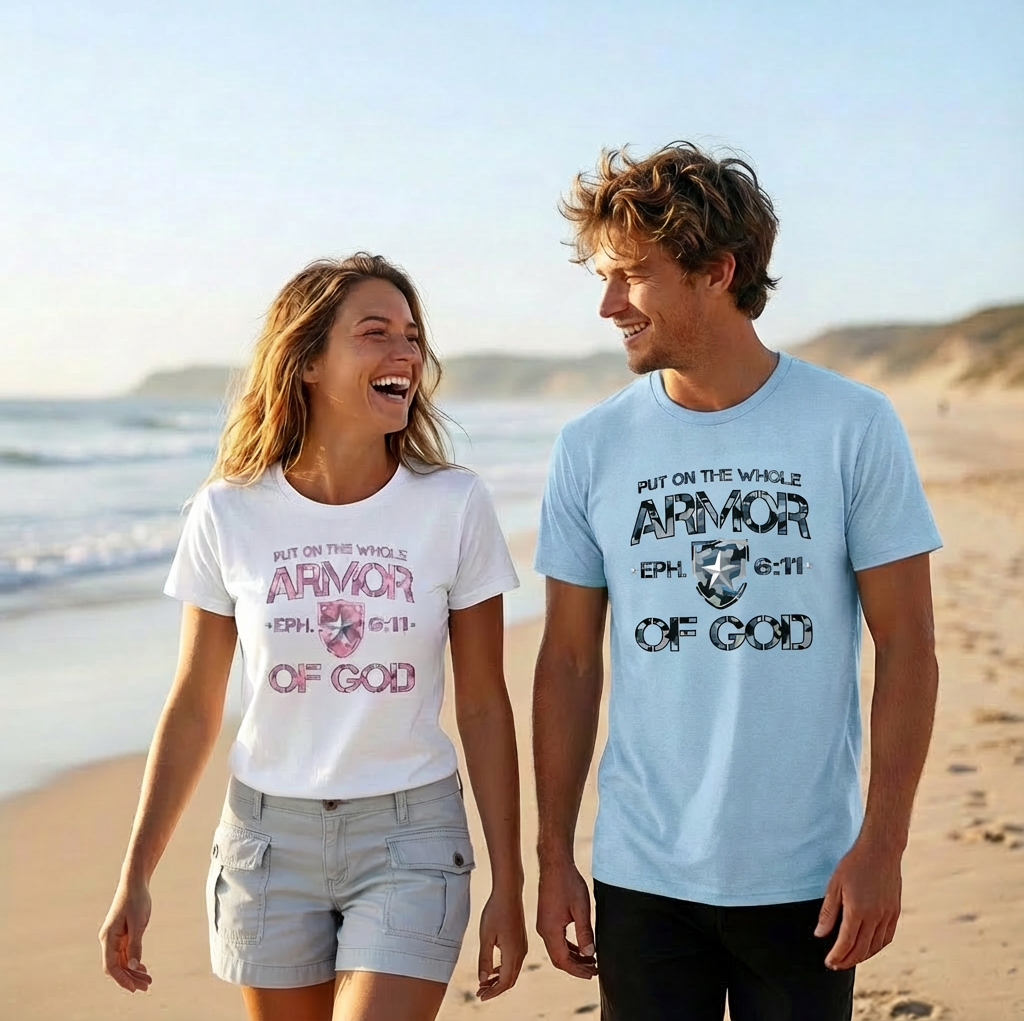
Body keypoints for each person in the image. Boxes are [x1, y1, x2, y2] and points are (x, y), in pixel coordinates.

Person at [532, 143, 941, 1021]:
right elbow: (567, 663)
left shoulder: (851, 425)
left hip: (808, 872)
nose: (607, 306)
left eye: (632, 277)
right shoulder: (591, 447)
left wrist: (883, 845)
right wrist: (553, 855)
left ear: (717, 271)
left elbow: (907, 646)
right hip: (641, 874)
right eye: (603, 279)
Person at [100, 254, 527, 1021]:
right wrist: (136, 872)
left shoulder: (453, 504)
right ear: (307, 362)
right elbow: (195, 704)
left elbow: (485, 705)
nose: (406, 353)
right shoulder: (228, 511)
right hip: (267, 843)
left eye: (412, 335)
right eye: (375, 333)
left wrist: (512, 880)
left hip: (411, 839)